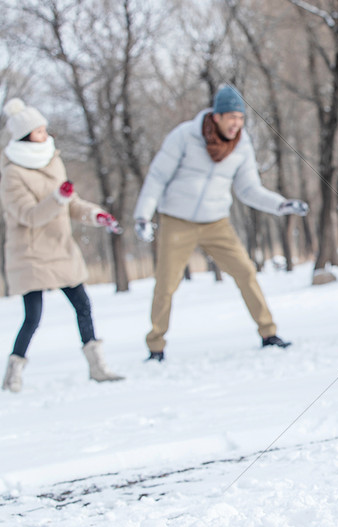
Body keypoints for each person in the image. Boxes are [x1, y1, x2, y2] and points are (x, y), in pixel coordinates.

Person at [132, 85, 309, 361]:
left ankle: (268, 332)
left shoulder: (242, 145)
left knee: (245, 272)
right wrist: (143, 215)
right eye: (231, 118)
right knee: (166, 283)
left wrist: (280, 204)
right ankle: (156, 346)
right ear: (216, 116)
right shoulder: (185, 136)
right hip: (177, 220)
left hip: (216, 222)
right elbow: (157, 177)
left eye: (240, 118)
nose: (236, 124)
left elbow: (249, 189)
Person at [1, 98, 124, 393]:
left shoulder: (53, 160)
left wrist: (97, 214)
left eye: (44, 129)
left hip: (60, 248)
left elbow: (72, 203)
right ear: (24, 135)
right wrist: (58, 196)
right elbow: (29, 216)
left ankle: (97, 367)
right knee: (33, 316)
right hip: (30, 253)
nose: (46, 135)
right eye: (39, 131)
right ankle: (13, 373)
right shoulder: (11, 173)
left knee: (83, 304)